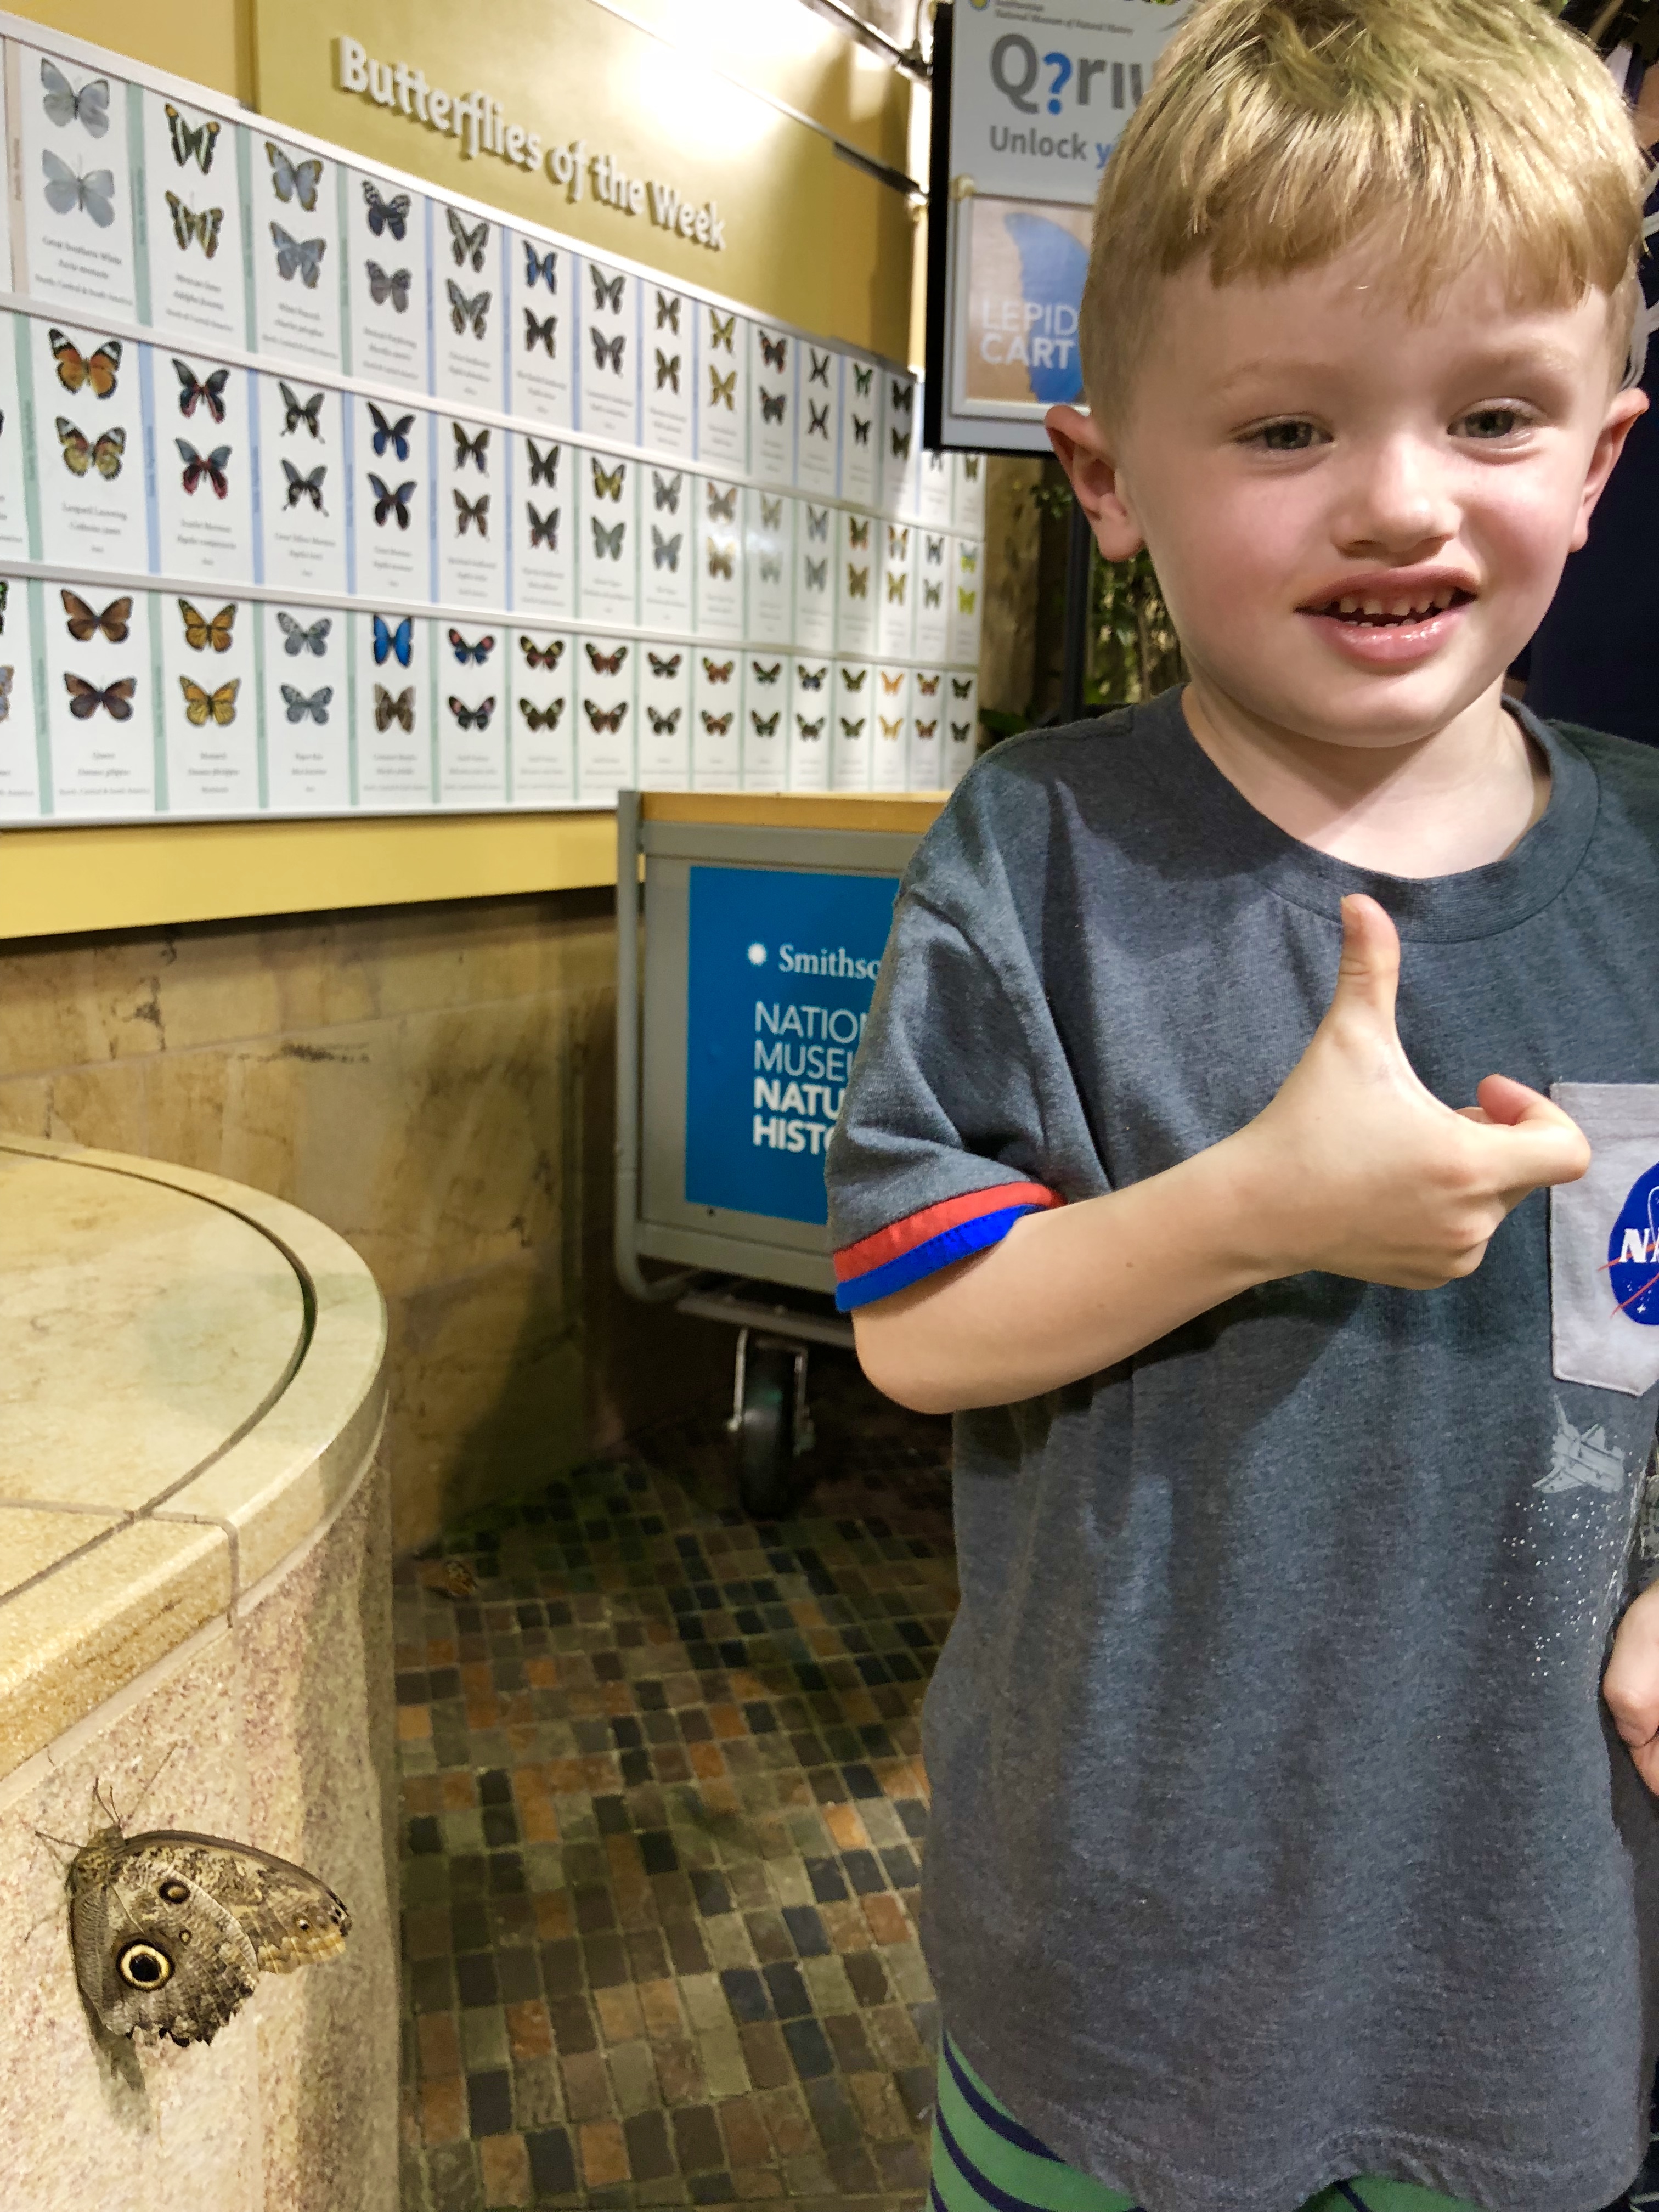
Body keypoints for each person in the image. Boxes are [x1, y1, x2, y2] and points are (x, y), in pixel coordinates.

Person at [823, 2, 1659, 2208]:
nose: (1399, 495)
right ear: (1107, 479)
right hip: (1118, 1970)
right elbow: (916, 1323)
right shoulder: (1038, 857)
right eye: (1288, 424)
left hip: (1530, 1962)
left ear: (1598, 460)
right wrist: (1260, 1206)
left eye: (1495, 414)